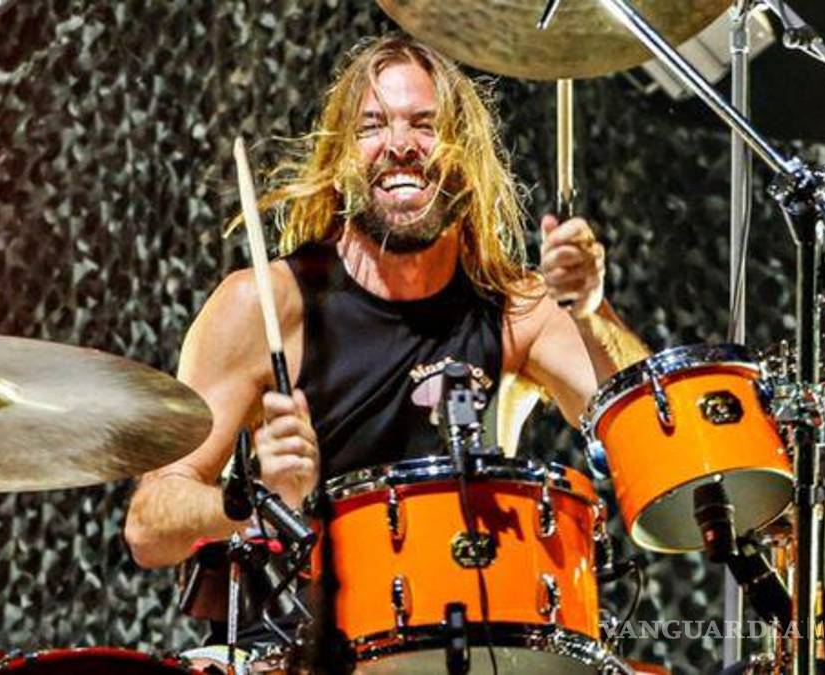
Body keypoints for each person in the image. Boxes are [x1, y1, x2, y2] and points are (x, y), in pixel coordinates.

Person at [124, 33, 650, 570]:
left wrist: (591, 313)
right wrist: (257, 500)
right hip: (307, 616)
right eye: (372, 126)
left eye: (425, 125)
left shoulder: (518, 310)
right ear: (341, 159)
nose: (400, 145)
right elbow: (148, 526)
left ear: (467, 157)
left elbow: (650, 446)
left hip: (471, 606)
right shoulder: (265, 305)